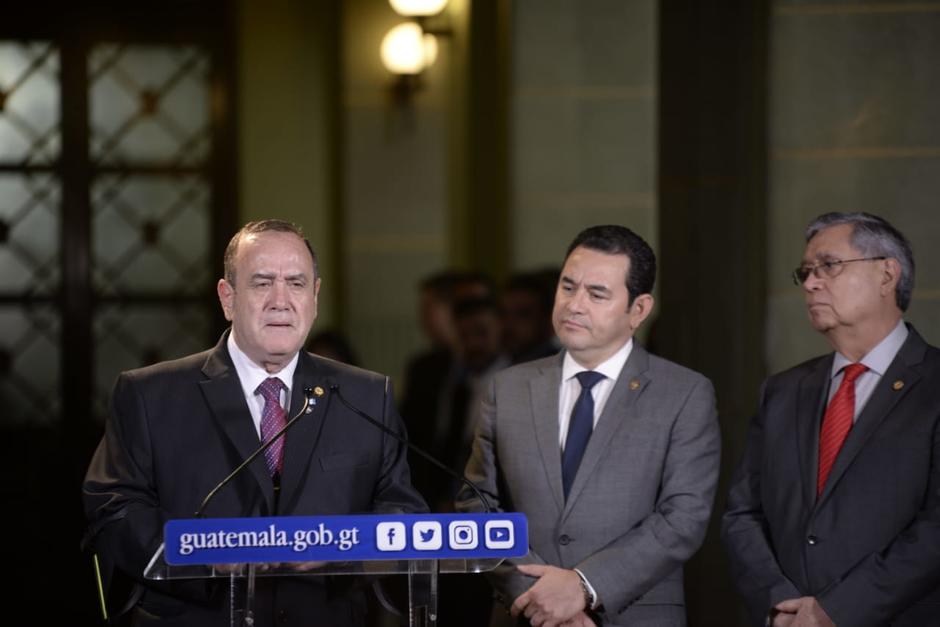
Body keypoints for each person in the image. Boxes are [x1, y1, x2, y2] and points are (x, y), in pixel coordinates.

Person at [83, 219, 426, 626]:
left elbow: (403, 513)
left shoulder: (366, 396)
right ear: (227, 298)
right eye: (262, 283)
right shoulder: (149, 395)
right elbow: (115, 511)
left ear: (315, 296)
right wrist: (204, 555)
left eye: (296, 283)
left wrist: (340, 545)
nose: (281, 301)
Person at [459, 224, 720, 626]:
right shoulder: (508, 388)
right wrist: (536, 595)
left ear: (639, 309)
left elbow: (682, 518)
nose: (574, 305)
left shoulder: (683, 393)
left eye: (597, 294)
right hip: (523, 613)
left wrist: (583, 587)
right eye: (568, 287)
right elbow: (477, 505)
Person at [722, 212, 940, 626]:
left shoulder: (932, 383)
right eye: (806, 272)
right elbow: (743, 515)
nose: (810, 283)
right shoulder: (783, 391)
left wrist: (835, 610)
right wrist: (780, 604)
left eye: (829, 265)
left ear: (886, 275)